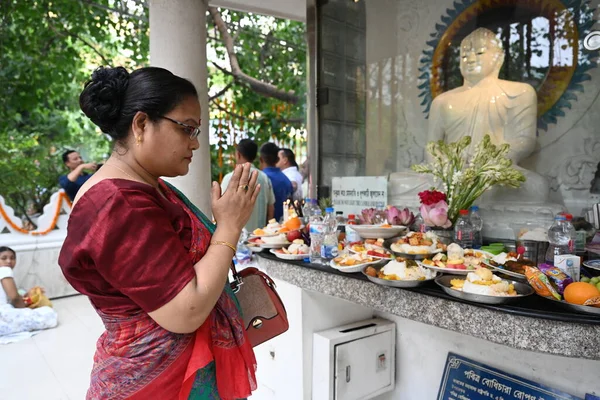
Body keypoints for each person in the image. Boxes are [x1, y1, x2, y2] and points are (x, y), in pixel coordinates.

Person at [58, 66, 259, 399]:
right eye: (187, 129)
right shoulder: (119, 201)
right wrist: (229, 226)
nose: (195, 144)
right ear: (141, 125)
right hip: (157, 381)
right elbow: (186, 310)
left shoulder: (144, 187)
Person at [426, 27, 547, 202]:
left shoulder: (520, 92)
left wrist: (489, 165)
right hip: (450, 174)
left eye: (479, 52)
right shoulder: (443, 101)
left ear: (499, 57)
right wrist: (446, 167)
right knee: (400, 184)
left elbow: (524, 141)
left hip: (495, 171)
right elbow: (432, 146)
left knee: (538, 187)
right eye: (464, 55)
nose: (470, 59)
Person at [0, 247, 58, 340]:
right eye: (4, 258)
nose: (9, 261)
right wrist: (25, 310)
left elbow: (12, 296)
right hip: (3, 314)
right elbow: (14, 297)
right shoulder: (4, 270)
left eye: (12, 258)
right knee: (50, 314)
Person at [221, 139, 276, 232]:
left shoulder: (230, 178)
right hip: (259, 239)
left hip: (236, 239)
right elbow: (271, 209)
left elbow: (222, 209)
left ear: (238, 154)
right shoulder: (264, 178)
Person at [259, 142, 292, 222]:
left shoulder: (261, 179)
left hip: (265, 229)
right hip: (284, 225)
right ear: (277, 159)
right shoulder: (286, 180)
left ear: (261, 159)